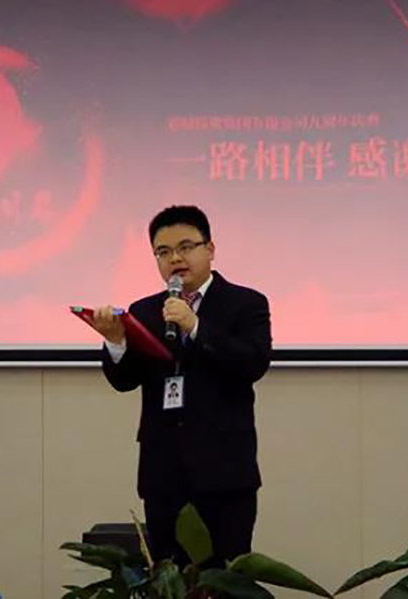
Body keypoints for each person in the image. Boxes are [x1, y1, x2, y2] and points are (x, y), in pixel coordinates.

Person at [90, 205, 272, 567]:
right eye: (163, 251)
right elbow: (125, 381)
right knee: (169, 579)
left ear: (210, 249)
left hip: (225, 473)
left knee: (226, 579)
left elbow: (252, 364)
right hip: (163, 474)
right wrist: (115, 341)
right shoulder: (144, 311)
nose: (175, 258)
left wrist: (196, 326)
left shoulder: (246, 303)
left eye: (186, 247)